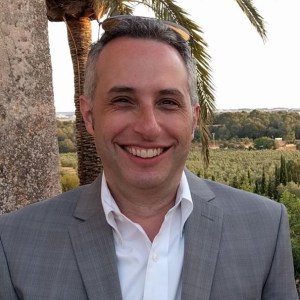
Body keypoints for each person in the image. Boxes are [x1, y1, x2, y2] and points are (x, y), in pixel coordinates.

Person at [0, 15, 298, 300]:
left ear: (193, 119)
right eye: (123, 101)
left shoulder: (264, 227)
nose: (148, 127)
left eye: (168, 102)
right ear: (89, 115)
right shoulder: (14, 242)